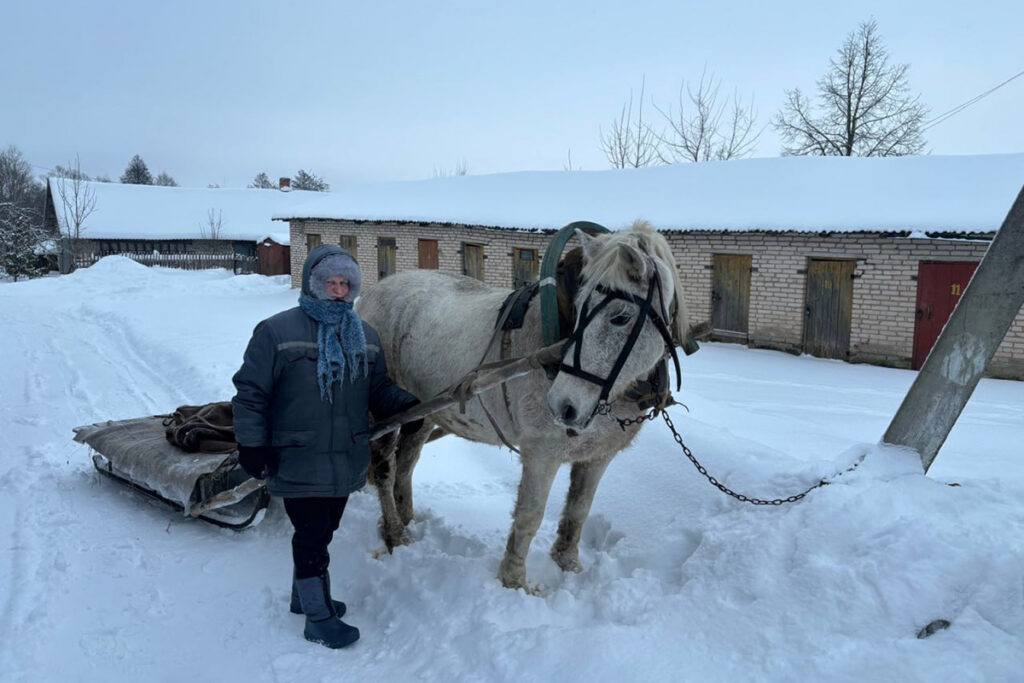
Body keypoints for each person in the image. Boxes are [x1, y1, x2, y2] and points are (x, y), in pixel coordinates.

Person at [231, 244, 422, 649]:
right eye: (329, 282)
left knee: (324, 530)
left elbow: (377, 388)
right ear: (312, 283)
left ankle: (304, 597)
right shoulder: (276, 331)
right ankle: (318, 618)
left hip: (345, 456)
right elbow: (250, 394)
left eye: (344, 283)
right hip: (296, 453)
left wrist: (404, 404)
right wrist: (252, 444)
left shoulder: (365, 335)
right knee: (312, 535)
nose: (337, 290)